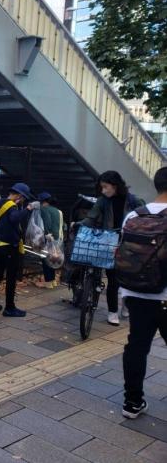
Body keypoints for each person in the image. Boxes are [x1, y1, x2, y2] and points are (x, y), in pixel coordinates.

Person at [120, 167, 167, 419]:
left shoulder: (133, 215)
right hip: (165, 297)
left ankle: (132, 402)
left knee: (137, 347)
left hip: (136, 293)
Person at [80, 170, 144, 325]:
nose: (103, 190)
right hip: (108, 242)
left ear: (115, 186)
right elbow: (91, 217)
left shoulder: (133, 200)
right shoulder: (103, 201)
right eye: (101, 187)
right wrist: (79, 225)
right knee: (113, 279)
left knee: (128, 278)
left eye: (105, 187)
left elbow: (144, 217)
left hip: (128, 244)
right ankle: (112, 311)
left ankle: (126, 305)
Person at [0, 183, 35, 317]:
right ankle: (9, 308)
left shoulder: (0, 203)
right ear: (19, 196)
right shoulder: (11, 206)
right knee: (11, 277)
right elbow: (15, 219)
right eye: (24, 198)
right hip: (9, 246)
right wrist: (28, 209)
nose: (24, 201)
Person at [39, 192, 62, 289]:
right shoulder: (57, 211)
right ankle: (53, 281)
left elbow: (47, 224)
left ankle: (48, 282)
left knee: (45, 260)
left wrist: (46, 235)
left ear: (42, 201)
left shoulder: (44, 209)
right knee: (52, 259)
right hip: (56, 238)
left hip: (48, 238)